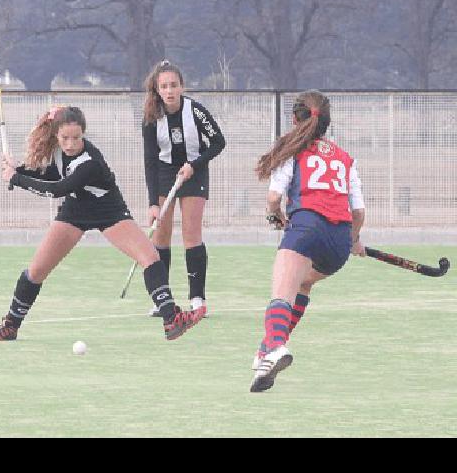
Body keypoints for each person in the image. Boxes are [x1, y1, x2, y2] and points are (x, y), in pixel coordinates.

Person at [0, 106, 197, 342]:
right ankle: (11, 325)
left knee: (150, 257)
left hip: (108, 211)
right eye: (65, 138)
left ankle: (171, 319)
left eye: (76, 138)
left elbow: (58, 189)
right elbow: (52, 176)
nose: (70, 144)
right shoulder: (59, 151)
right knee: (36, 271)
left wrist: (17, 179)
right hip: (74, 211)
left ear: (83, 134)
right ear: (56, 134)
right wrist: (19, 169)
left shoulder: (90, 161)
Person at [249, 90, 365, 393]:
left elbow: (274, 199)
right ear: (327, 122)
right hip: (338, 244)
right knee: (302, 283)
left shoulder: (293, 150)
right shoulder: (345, 158)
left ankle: (274, 347)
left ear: (294, 119)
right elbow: (358, 212)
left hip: (306, 229)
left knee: (281, 292)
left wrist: (275, 218)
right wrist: (354, 240)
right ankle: (266, 354)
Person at [142, 60, 226, 320]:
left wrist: (195, 164)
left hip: (194, 171)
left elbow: (218, 142)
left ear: (182, 86)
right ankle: (163, 299)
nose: (169, 91)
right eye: (164, 86)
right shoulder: (150, 118)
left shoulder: (196, 111)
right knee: (161, 237)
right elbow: (150, 161)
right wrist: (152, 203)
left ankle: (197, 298)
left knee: (191, 234)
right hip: (166, 173)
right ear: (157, 89)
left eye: (174, 85)